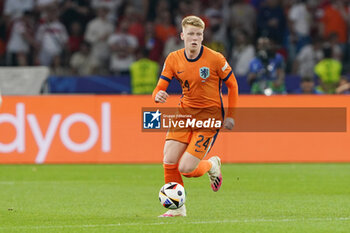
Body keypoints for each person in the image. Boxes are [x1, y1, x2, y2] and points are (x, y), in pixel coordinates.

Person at [152, 16, 238, 217]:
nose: (194, 38)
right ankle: (178, 209)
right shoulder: (173, 58)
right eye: (190, 34)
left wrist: (231, 115)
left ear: (202, 36)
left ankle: (211, 164)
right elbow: (159, 88)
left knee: (187, 169)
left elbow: (232, 85)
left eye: (198, 34)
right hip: (184, 114)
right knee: (169, 159)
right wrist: (158, 95)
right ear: (182, 36)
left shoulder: (215, 58)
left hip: (209, 117)